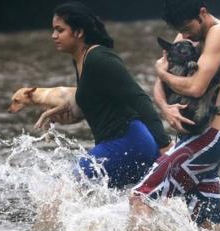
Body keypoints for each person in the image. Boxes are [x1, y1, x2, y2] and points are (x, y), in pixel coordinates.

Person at [130, 0, 220, 229]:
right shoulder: (185, 35)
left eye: (188, 28)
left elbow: (195, 87)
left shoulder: (219, 33)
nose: (185, 35)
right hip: (193, 141)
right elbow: (160, 83)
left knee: (140, 197)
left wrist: (161, 71)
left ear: (202, 13)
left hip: (206, 138)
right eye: (180, 30)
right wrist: (165, 106)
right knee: (205, 228)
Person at [50, 2, 172, 188]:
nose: (54, 36)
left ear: (78, 32)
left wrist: (164, 146)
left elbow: (139, 99)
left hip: (130, 142)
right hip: (119, 144)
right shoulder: (80, 61)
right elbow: (101, 104)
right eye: (54, 30)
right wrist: (71, 116)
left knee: (62, 187)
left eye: (60, 30)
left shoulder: (100, 58)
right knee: (127, 207)